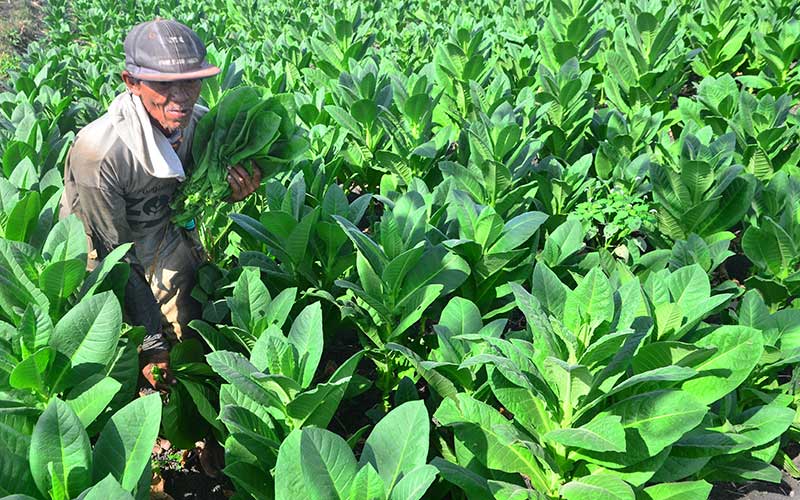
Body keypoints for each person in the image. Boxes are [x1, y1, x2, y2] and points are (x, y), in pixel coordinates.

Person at [60, 19, 261, 391]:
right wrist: (151, 339)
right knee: (117, 351)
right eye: (164, 84)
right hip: (104, 251)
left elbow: (193, 195)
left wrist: (230, 191)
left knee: (192, 338)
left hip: (165, 234)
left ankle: (196, 430)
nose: (182, 96)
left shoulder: (199, 125)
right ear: (131, 82)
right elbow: (112, 255)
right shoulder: (100, 153)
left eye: (193, 81)